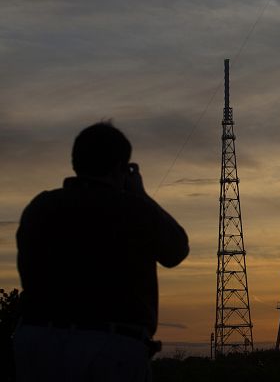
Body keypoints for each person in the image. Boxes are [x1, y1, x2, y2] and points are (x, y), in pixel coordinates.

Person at [14, 122, 190, 381]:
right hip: (110, 346)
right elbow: (176, 250)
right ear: (121, 167)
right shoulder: (134, 210)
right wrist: (141, 195)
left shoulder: (40, 207)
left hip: (39, 343)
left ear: (75, 162)